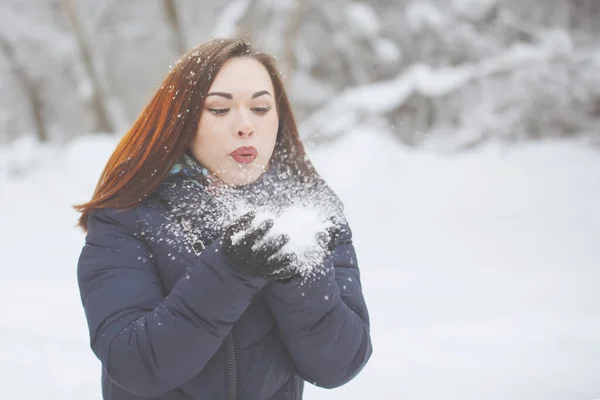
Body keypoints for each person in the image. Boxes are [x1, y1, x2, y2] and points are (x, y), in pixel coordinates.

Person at [75, 37, 372, 400]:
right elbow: (134, 363)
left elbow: (340, 363)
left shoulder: (311, 209)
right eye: (219, 109)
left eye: (261, 108)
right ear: (180, 121)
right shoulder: (129, 213)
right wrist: (229, 272)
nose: (245, 125)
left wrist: (300, 279)